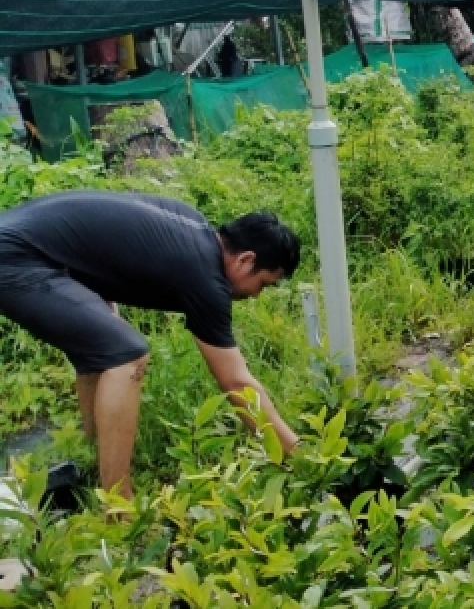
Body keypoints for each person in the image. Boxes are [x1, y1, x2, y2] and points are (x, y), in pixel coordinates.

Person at [0, 191, 301, 499]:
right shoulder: (205, 278)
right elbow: (237, 383)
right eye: (263, 283)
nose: (256, 295)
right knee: (125, 355)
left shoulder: (189, 226)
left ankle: (93, 463)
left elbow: (103, 247)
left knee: (107, 347)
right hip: (16, 258)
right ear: (245, 259)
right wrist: (298, 456)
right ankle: (119, 508)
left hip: (20, 241)